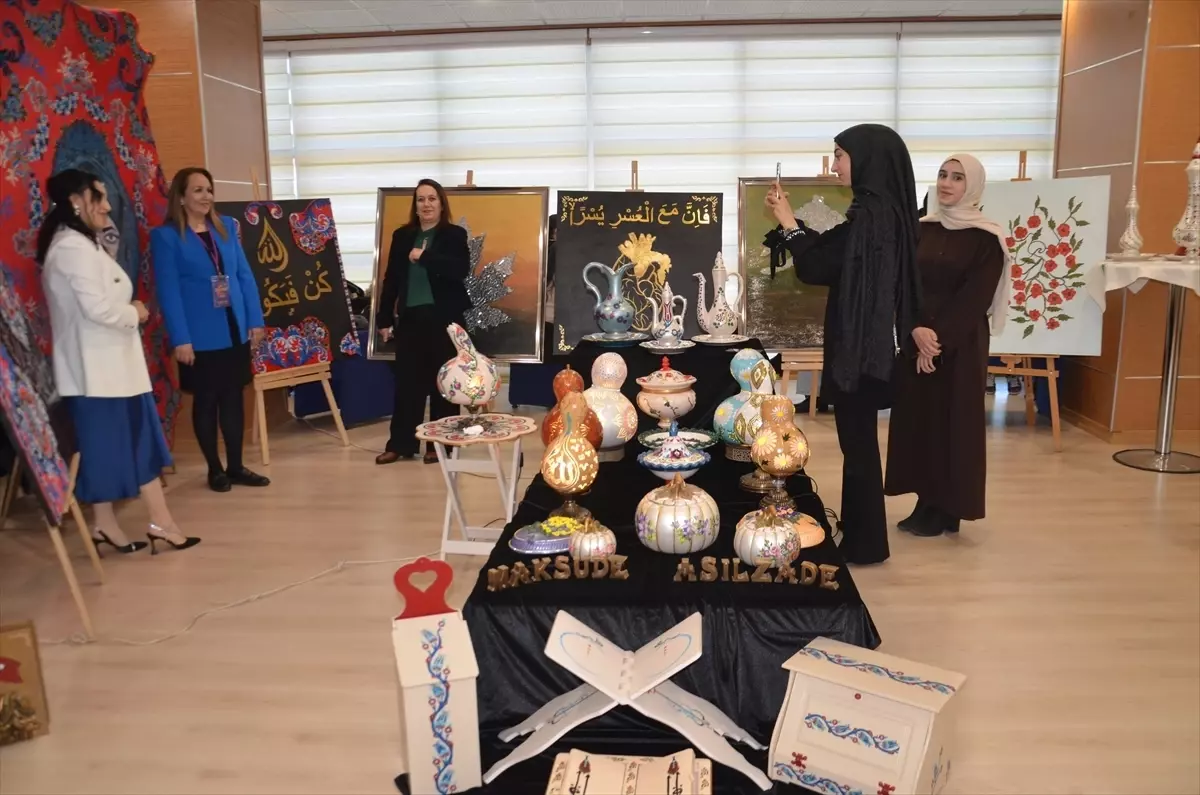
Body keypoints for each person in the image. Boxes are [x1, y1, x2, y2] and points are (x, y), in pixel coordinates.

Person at [765, 124, 921, 565]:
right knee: (860, 445)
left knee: (859, 448)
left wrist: (788, 222)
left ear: (866, 158)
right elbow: (834, 255)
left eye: (839, 155)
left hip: (861, 351)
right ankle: (863, 536)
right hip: (871, 347)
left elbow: (819, 265)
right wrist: (792, 226)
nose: (834, 165)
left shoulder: (871, 217)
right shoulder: (882, 212)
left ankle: (865, 544)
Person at [40, 169, 199, 555]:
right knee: (123, 449)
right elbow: (97, 309)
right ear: (77, 201)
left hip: (112, 371)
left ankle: (108, 524)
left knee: (122, 448)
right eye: (100, 197)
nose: (108, 206)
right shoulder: (71, 249)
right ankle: (160, 522)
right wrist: (135, 312)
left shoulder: (81, 243)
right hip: (97, 375)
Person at [885, 154, 1006, 536]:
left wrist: (935, 342)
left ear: (973, 186)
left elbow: (975, 297)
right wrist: (915, 331)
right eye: (942, 175)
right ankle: (926, 503)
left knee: (952, 425)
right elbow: (904, 285)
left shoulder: (987, 238)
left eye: (957, 177)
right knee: (920, 423)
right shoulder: (921, 229)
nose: (946, 183)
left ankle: (947, 507)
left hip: (960, 346)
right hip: (917, 338)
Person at [151, 168, 270, 493]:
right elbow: (169, 292)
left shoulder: (226, 227)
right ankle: (215, 469)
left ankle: (236, 466)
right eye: (198, 190)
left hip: (234, 328)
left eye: (209, 190)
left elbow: (244, 275)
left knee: (233, 397)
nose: (206, 197)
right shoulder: (166, 237)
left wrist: (255, 320)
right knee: (206, 400)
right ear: (181, 197)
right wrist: (181, 338)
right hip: (199, 335)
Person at [374, 179, 471, 465]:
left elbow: (459, 270)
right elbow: (391, 279)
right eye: (420, 199)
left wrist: (424, 257)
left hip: (444, 319)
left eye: (432, 199)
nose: (426, 204)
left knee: (444, 383)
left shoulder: (454, 235)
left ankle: (440, 444)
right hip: (411, 319)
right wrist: (383, 317)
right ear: (415, 206)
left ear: (441, 204)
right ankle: (401, 443)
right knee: (407, 384)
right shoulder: (402, 235)